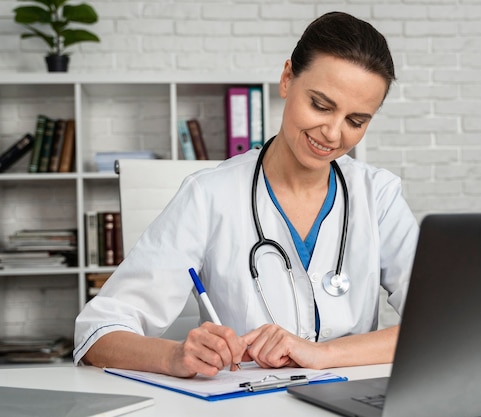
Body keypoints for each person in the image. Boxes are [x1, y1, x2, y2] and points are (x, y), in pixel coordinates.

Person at [73, 11, 418, 378]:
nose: (333, 134)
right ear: (287, 78)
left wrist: (322, 354)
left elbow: (444, 321)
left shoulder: (377, 195)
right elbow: (97, 333)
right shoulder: (209, 196)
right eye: (320, 105)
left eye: (356, 121)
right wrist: (174, 356)